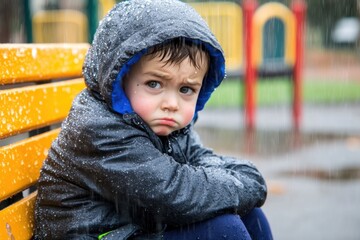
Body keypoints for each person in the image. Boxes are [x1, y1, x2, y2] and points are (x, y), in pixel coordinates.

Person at [35, 0, 273, 239]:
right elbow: (173, 195)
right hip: (96, 234)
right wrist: (243, 184)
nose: (172, 103)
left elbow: (202, 161)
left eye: (186, 89)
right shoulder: (99, 129)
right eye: (154, 84)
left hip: (130, 228)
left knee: (249, 214)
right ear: (119, 79)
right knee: (223, 229)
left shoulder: (161, 123)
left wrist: (243, 181)